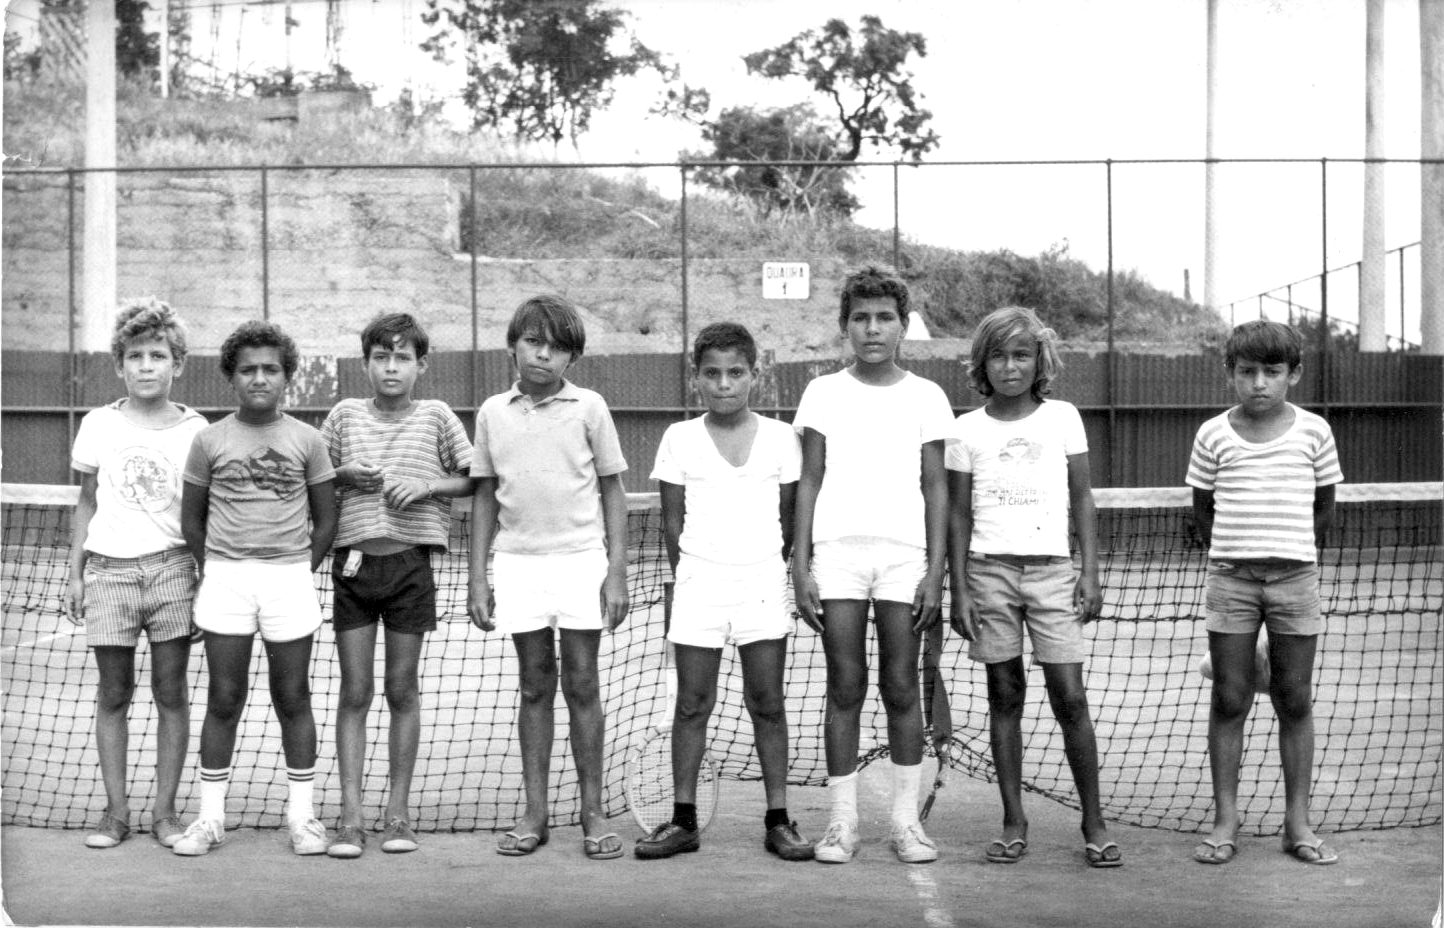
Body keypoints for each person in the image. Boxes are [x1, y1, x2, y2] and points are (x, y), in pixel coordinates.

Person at [946, 306, 1120, 869]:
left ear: (1039, 360)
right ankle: (1013, 819)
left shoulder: (1063, 417)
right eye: (998, 356)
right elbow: (959, 514)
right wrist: (959, 589)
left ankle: (1093, 822)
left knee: (1070, 696)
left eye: (1021, 355)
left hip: (1053, 572)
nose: (1010, 366)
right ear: (982, 364)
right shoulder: (965, 430)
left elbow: (1082, 496)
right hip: (989, 573)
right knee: (1005, 694)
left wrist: (1089, 571)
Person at [791, 265, 953, 865]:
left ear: (903, 325)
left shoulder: (927, 396)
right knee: (845, 685)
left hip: (904, 559)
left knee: (902, 685)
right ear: (845, 326)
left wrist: (935, 570)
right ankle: (842, 823)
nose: (872, 328)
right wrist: (800, 562)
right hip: (837, 557)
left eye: (885, 317)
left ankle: (906, 824)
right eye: (860, 318)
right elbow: (809, 479)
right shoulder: (822, 393)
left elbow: (936, 487)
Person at [634, 322, 814, 862]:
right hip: (699, 585)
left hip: (761, 584)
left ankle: (778, 819)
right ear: (696, 378)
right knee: (692, 704)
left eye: (736, 372)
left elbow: (788, 518)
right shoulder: (678, 438)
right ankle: (683, 820)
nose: (724, 384)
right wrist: (696, 574)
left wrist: (764, 568)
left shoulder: (782, 438)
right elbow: (672, 524)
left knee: (768, 703)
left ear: (755, 375)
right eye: (712, 374)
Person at [467, 294, 630, 861]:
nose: (543, 354)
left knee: (582, 683)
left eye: (557, 347)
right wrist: (478, 577)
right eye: (533, 341)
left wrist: (616, 572)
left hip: (581, 561)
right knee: (534, 684)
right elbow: (484, 496)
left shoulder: (590, 407)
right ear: (513, 346)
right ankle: (534, 813)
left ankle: (592, 812)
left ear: (572, 358)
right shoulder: (492, 413)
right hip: (517, 565)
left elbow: (613, 490)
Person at [172, 320, 338, 857]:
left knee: (293, 696)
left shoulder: (308, 440)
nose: (259, 378)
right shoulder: (208, 440)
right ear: (231, 376)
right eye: (248, 370)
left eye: (270, 369)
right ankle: (210, 819)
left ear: (287, 376)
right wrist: (217, 569)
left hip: (289, 580)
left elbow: (326, 521)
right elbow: (192, 521)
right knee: (224, 698)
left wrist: (299, 569)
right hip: (226, 581)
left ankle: (303, 818)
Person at [1187, 319, 1342, 867]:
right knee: (1230, 697)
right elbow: (1202, 511)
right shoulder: (1212, 435)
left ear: (1293, 374)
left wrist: (1288, 553)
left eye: (1272, 372)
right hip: (1231, 582)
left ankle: (1297, 823)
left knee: (1293, 699)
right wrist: (1240, 557)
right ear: (1229, 372)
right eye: (1247, 371)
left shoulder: (1315, 432)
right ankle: (1225, 820)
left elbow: (1324, 506)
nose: (1259, 383)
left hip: (1296, 582)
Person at [319, 313, 474, 859]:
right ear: (366, 363)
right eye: (381, 357)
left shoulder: (436, 416)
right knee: (355, 692)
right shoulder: (343, 416)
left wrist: (427, 484)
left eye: (402, 357)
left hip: (411, 569)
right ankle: (351, 817)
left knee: (402, 690)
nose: (391, 367)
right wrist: (343, 477)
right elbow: (316, 478)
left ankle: (399, 815)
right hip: (353, 568)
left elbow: (474, 478)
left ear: (421, 365)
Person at [65, 297, 208, 850]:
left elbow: (202, 514)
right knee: (114, 694)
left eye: (158, 355)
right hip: (109, 576)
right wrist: (76, 574)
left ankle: (165, 813)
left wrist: (205, 578)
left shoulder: (196, 430)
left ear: (178, 364)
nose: (146, 366)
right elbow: (86, 502)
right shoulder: (99, 424)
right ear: (119, 365)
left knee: (171, 693)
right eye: (135, 356)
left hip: (174, 574)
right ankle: (116, 813)